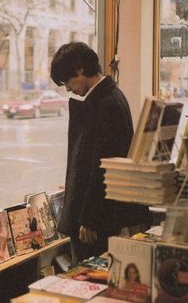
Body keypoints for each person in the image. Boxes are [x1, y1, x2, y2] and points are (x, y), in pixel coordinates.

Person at [50, 42, 150, 264]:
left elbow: (103, 165)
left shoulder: (106, 104)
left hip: (97, 220)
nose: (67, 88)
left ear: (80, 70)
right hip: (105, 212)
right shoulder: (112, 96)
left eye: (67, 81)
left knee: (91, 276)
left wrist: (90, 218)